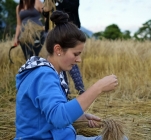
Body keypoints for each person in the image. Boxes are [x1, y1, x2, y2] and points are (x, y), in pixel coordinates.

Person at [14, 10, 119, 140]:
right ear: (58, 50)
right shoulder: (43, 75)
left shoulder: (48, 72)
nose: (79, 60)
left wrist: (78, 117)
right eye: (76, 54)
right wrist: (98, 87)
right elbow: (59, 118)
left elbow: (49, 114)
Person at [42, 0, 85, 95]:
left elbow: (73, 6)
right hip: (52, 31)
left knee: (71, 60)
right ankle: (65, 91)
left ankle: (81, 89)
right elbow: (46, 14)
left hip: (69, 31)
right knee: (56, 61)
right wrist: (45, 10)